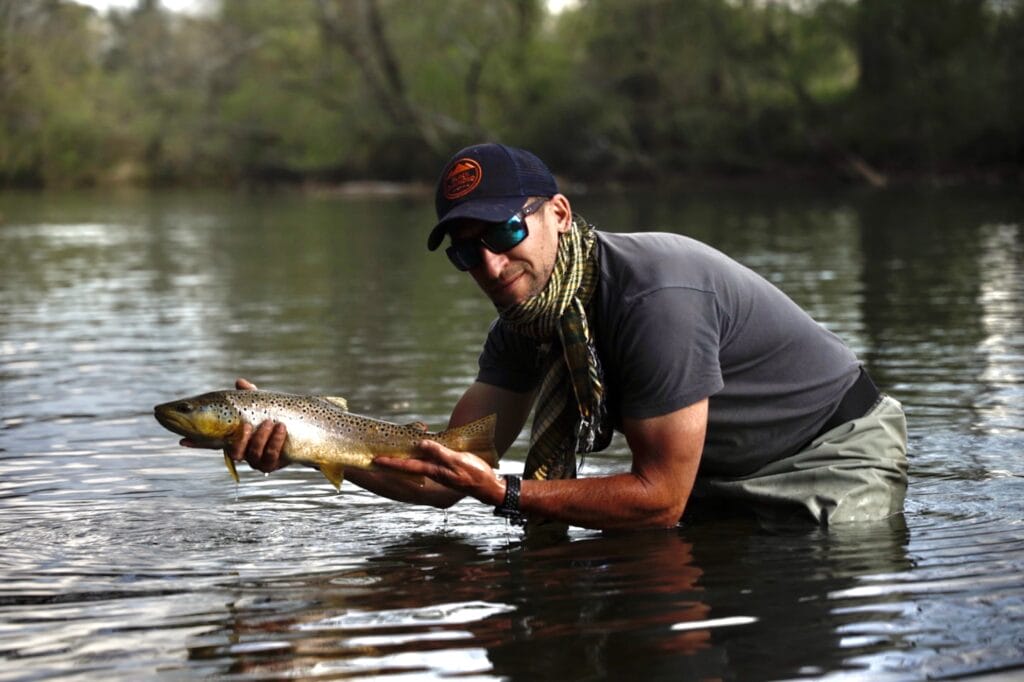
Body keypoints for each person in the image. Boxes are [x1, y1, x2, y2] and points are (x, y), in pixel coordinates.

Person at [215, 143, 908, 530]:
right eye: (465, 251)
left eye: (505, 233)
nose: (489, 264)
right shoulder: (526, 322)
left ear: (559, 214)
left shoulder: (654, 295)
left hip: (832, 455)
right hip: (720, 478)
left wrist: (510, 495)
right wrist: (307, 442)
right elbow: (445, 471)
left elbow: (660, 500)